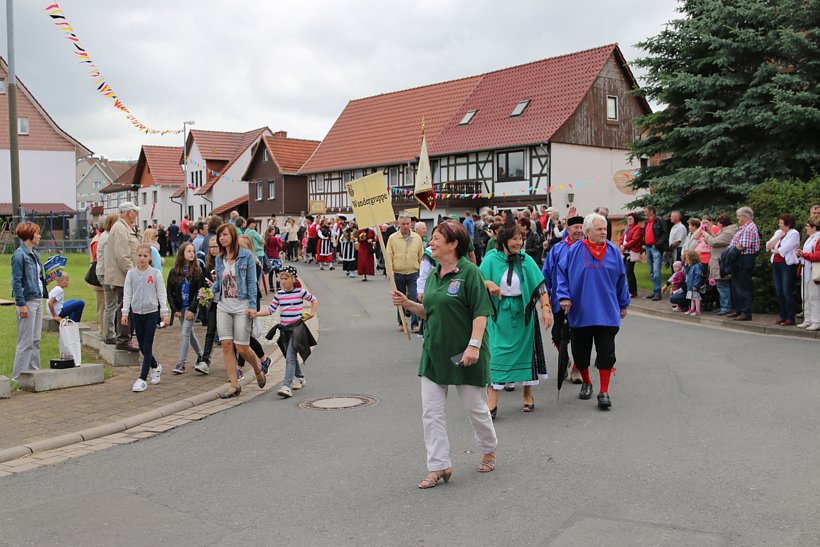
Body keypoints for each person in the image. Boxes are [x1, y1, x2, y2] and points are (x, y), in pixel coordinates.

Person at [391, 221, 497, 489]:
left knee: (476, 409)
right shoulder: (435, 274)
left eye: (438, 238)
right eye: (433, 237)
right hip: (434, 353)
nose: (432, 241)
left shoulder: (470, 273)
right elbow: (430, 311)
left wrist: (474, 345)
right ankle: (439, 465)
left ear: (453, 245)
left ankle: (489, 448)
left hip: (465, 353)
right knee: (431, 412)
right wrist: (408, 304)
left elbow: (480, 312)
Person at [556, 213, 630, 410]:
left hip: (607, 312)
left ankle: (603, 391)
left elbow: (622, 280)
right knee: (581, 353)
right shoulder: (573, 251)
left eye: (605, 229)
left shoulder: (614, 252)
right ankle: (587, 382)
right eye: (599, 229)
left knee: (606, 353)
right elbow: (561, 275)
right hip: (580, 311)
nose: (603, 232)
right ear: (587, 232)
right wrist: (563, 296)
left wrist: (623, 304)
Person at [480, 224, 553, 417]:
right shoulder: (491, 260)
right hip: (499, 315)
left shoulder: (526, 260)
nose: (519, 243)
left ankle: (527, 394)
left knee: (525, 354)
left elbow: (540, 286)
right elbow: (476, 280)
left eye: (521, 239)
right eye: (514, 239)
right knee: (496, 354)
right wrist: (488, 283)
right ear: (504, 241)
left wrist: (546, 309)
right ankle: (492, 402)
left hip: (523, 314)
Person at [210, 223, 266, 398]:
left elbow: (251, 282)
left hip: (242, 306)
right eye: (220, 236)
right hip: (224, 306)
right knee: (226, 346)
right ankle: (234, 385)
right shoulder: (220, 259)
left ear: (233, 236)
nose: (222, 238)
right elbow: (219, 283)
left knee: (242, 348)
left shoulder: (246, 256)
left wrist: (252, 306)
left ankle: (257, 368)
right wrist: (209, 291)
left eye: (225, 235)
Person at [251, 266, 318, 398]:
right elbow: (270, 310)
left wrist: (312, 313)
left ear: (293, 279)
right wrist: (257, 313)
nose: (282, 281)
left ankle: (286, 386)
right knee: (289, 356)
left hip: (297, 328)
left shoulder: (300, 292)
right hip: (284, 330)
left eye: (286, 278)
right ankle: (299, 377)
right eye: (281, 278)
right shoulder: (279, 295)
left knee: (290, 356)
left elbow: (314, 299)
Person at [542, 215, 585, 384]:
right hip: (559, 299)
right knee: (557, 335)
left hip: (581, 302)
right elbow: (546, 273)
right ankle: (565, 358)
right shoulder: (558, 249)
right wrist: (546, 295)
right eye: (576, 228)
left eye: (582, 228)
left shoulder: (587, 248)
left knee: (579, 337)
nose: (579, 231)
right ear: (567, 230)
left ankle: (577, 368)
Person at [122, 244, 170, 392]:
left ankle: (142, 379)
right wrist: (125, 312)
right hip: (137, 313)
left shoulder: (155, 274)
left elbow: (161, 293)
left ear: (150, 257)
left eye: (145, 256)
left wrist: (164, 312)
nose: (142, 258)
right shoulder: (131, 274)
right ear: (136, 256)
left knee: (147, 345)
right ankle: (155, 366)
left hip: (151, 313)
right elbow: (127, 294)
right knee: (142, 345)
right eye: (140, 255)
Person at [11, 222, 51, 381]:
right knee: (25, 341)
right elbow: (17, 281)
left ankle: (34, 374)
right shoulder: (19, 255)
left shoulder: (34, 254)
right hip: (27, 301)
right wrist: (21, 304)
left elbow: (36, 279)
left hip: (37, 299)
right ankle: (18, 378)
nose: (39, 236)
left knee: (36, 340)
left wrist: (48, 280)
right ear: (29, 235)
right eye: (37, 233)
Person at [105, 202, 142, 351]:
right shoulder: (120, 228)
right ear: (128, 213)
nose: (136, 214)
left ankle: (124, 337)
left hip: (125, 276)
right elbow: (123, 256)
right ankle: (123, 339)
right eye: (135, 211)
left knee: (125, 306)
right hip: (123, 277)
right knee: (125, 307)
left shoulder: (124, 228)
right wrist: (133, 274)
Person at [167, 243, 205, 374]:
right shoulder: (174, 271)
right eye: (189, 251)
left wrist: (192, 309)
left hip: (191, 307)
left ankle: (181, 363)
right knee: (190, 332)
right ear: (182, 253)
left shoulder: (197, 271)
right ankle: (201, 355)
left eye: (193, 251)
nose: (192, 253)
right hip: (180, 308)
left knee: (185, 333)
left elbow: (200, 292)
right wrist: (174, 309)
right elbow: (170, 292)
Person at [385, 214, 424, 333]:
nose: (406, 226)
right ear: (398, 224)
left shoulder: (417, 237)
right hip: (398, 272)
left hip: (413, 272)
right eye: (403, 224)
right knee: (400, 299)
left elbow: (421, 255)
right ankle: (401, 322)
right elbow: (389, 255)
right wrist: (390, 272)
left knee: (413, 297)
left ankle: (415, 324)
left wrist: (422, 272)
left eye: (408, 224)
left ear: (411, 224)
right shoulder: (392, 238)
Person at [698, 214, 738, 315]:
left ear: (722, 223)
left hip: (722, 262)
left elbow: (715, 242)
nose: (717, 225)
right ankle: (725, 306)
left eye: (719, 223)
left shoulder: (729, 232)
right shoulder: (726, 230)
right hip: (720, 261)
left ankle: (726, 307)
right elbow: (716, 238)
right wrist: (709, 232)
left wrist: (705, 234)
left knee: (722, 285)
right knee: (722, 285)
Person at [765, 214, 800, 326]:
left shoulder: (794, 234)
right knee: (779, 291)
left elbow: (783, 249)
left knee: (786, 291)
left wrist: (775, 249)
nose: (779, 224)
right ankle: (783, 315)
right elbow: (768, 246)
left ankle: (790, 317)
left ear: (788, 224)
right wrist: (778, 237)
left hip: (787, 264)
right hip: (776, 263)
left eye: (781, 222)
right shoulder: (778, 233)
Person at [728, 207, 760, 321]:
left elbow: (742, 246)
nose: (737, 218)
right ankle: (738, 309)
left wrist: (731, 251)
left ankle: (745, 312)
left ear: (745, 217)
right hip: (739, 259)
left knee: (743, 285)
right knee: (736, 285)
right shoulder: (744, 228)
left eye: (739, 216)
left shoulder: (749, 228)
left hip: (745, 258)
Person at [195, 238, 221, 375]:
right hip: (213, 302)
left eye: (215, 246)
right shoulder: (208, 264)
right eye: (211, 247)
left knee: (229, 335)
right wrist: (207, 288)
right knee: (210, 331)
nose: (213, 249)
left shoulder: (225, 262)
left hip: (225, 303)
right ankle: (205, 361)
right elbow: (204, 283)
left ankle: (237, 362)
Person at [96, 214, 119, 340]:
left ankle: (109, 332)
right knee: (111, 305)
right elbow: (107, 260)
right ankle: (109, 334)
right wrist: (111, 281)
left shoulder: (104, 236)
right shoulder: (108, 238)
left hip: (103, 272)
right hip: (106, 274)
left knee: (110, 304)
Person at [796, 218, 820, 330]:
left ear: (814, 228)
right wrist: (800, 254)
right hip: (805, 270)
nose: (806, 228)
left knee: (814, 297)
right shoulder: (810, 239)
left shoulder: (818, 239)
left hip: (813, 271)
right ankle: (808, 319)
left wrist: (804, 255)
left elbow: (818, 256)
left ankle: (816, 321)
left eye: (808, 226)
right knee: (805, 296)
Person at [643, 205, 668, 301]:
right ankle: (655, 291)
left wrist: (657, 245)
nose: (644, 213)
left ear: (651, 212)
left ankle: (658, 292)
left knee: (656, 271)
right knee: (651, 271)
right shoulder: (647, 222)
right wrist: (644, 243)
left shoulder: (659, 221)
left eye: (646, 211)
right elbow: (645, 234)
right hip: (648, 248)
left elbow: (664, 234)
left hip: (655, 248)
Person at [620, 212, 643, 298]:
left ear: (635, 220)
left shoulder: (637, 228)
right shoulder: (627, 228)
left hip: (632, 252)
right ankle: (625, 289)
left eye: (630, 219)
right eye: (628, 219)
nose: (628, 220)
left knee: (629, 271)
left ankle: (633, 291)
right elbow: (622, 238)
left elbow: (635, 240)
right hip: (625, 252)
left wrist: (625, 245)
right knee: (624, 271)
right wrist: (621, 244)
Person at [682, 250, 704, 316]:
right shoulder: (691, 266)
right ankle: (692, 308)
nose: (686, 260)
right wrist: (686, 266)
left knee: (696, 298)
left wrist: (696, 285)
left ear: (691, 258)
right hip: (690, 285)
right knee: (692, 298)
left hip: (694, 285)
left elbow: (698, 276)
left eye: (687, 259)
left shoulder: (697, 266)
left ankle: (697, 310)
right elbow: (687, 272)